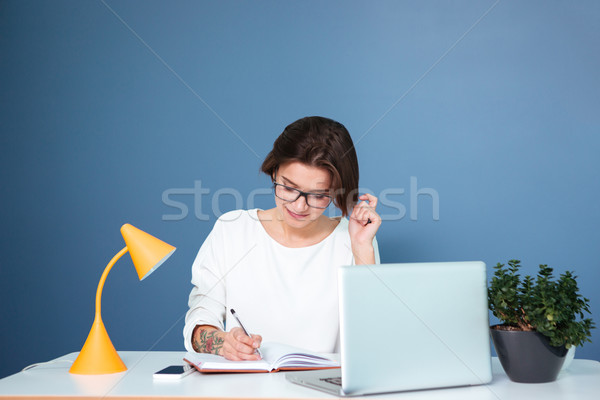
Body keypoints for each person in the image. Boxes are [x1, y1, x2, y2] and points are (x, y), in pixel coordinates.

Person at [183, 116, 381, 361]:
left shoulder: (354, 239)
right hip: (243, 388)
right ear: (274, 171)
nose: (299, 206)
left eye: (318, 195)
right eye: (288, 187)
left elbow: (372, 338)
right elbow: (198, 321)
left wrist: (362, 247)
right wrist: (222, 343)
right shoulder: (232, 230)